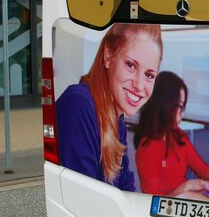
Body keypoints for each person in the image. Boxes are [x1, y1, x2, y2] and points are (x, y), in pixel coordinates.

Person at [56, 23, 162, 190]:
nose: (139, 85)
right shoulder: (79, 104)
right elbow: (83, 197)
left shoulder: (116, 118)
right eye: (131, 65)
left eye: (149, 75)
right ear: (108, 56)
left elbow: (126, 189)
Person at [134, 71, 209, 197]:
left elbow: (202, 169)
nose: (182, 114)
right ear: (166, 106)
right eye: (180, 107)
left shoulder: (178, 136)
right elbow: (152, 203)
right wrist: (187, 186)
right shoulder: (146, 148)